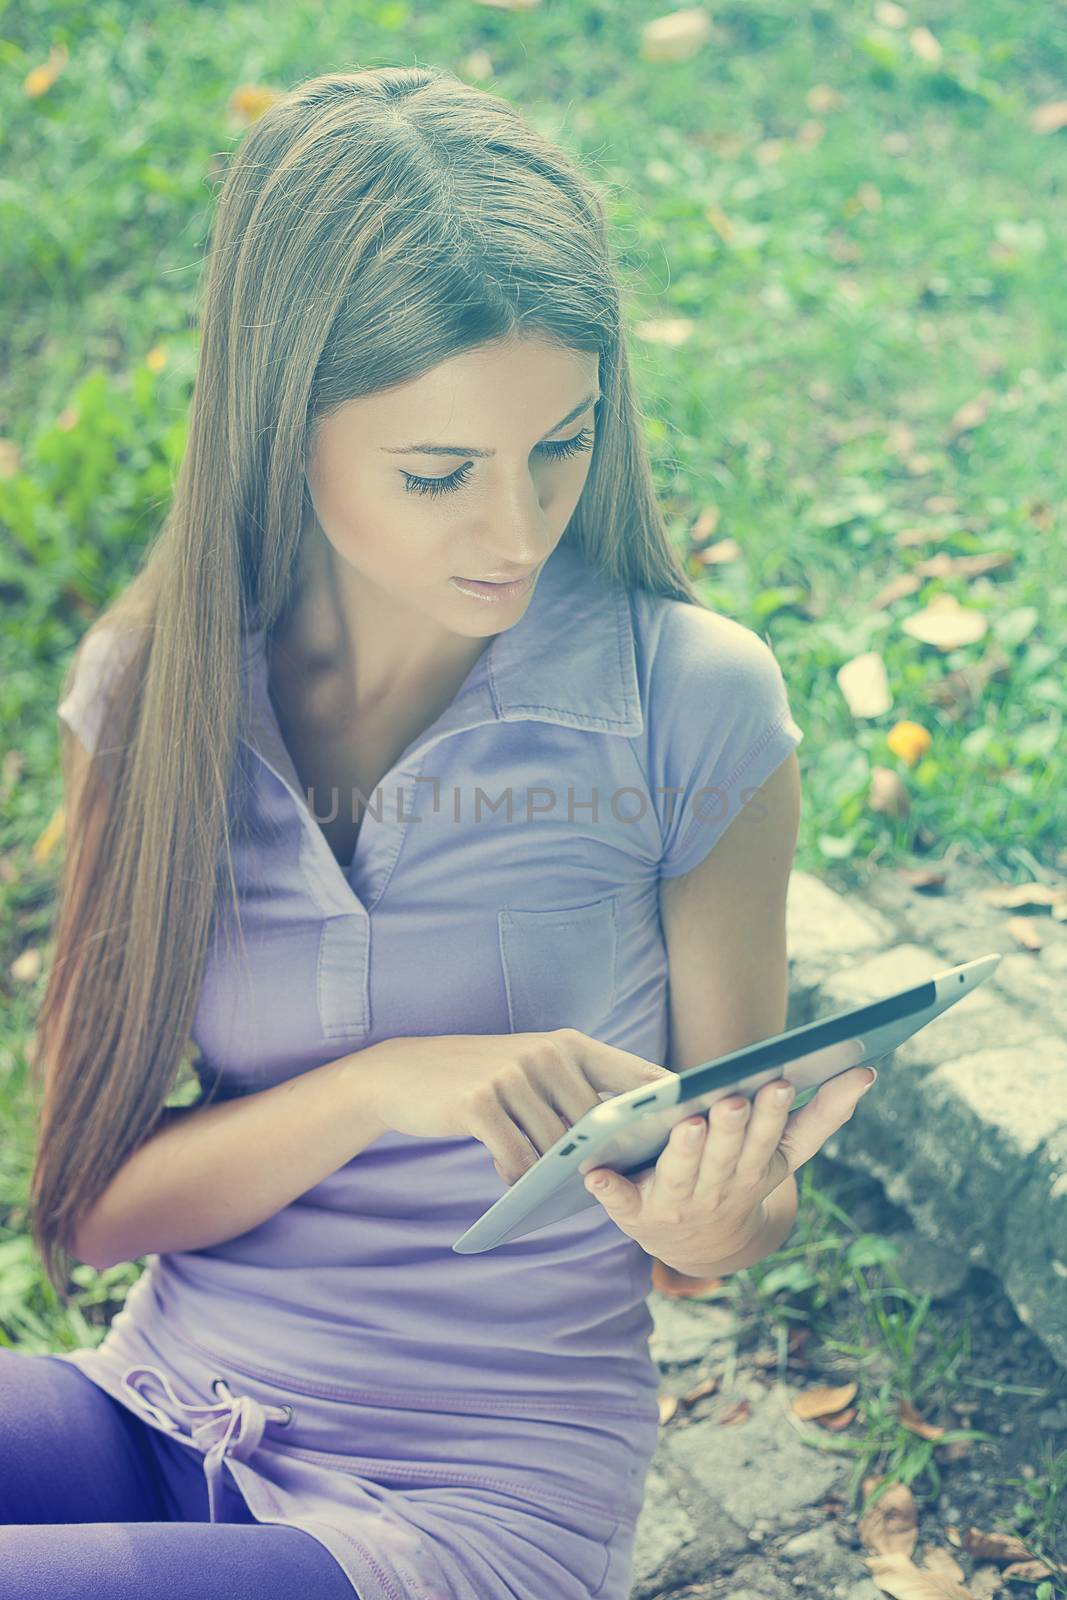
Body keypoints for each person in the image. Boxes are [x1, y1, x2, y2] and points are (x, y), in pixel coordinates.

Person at [4, 63, 873, 1600]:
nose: (519, 530)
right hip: (171, 1401)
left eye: (563, 443)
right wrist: (385, 1087)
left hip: (467, 1504)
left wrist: (722, 1211)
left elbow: (708, 1232)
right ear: (287, 426)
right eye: (438, 472)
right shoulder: (158, 699)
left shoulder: (691, 702)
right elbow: (86, 1213)